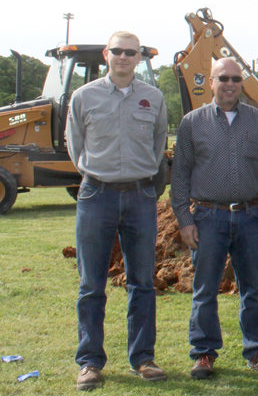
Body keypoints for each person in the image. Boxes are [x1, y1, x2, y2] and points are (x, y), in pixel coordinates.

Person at [66, 31, 168, 391]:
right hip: (97, 195)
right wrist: (97, 176)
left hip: (140, 196)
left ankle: (143, 358)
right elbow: (75, 145)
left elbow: (158, 145)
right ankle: (90, 362)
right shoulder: (84, 97)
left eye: (131, 52)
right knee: (91, 283)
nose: (124, 57)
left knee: (142, 283)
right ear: (108, 55)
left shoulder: (153, 98)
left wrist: (140, 179)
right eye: (118, 51)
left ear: (138, 58)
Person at [171, 58, 258, 380]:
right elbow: (180, 174)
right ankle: (203, 353)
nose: (230, 84)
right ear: (211, 82)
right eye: (224, 78)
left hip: (250, 216)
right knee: (205, 289)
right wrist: (183, 219)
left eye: (235, 78)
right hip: (207, 217)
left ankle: (256, 349)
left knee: (252, 288)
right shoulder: (192, 123)